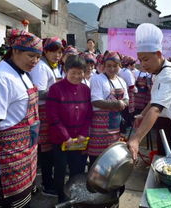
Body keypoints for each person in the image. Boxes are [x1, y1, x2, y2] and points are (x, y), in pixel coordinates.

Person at [0, 29, 42, 208]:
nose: (35, 61)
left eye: (38, 57)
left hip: (25, 153)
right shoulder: (0, 78)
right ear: (15, 51)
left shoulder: (22, 74)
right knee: (10, 203)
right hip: (6, 160)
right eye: (31, 55)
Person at [127, 23, 171, 159]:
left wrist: (136, 138)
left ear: (158, 54)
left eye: (146, 59)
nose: (143, 64)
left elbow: (156, 109)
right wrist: (142, 115)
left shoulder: (168, 76)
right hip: (164, 125)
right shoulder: (158, 72)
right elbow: (155, 100)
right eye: (140, 60)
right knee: (162, 160)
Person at [46, 55, 92, 203]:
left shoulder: (85, 89)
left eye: (81, 73)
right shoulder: (55, 89)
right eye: (73, 72)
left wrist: (83, 134)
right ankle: (61, 198)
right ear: (65, 70)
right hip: (61, 140)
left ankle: (75, 198)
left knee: (77, 171)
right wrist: (66, 137)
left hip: (79, 140)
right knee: (60, 171)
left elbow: (89, 115)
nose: (77, 76)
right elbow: (52, 116)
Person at [29, 37, 64, 196]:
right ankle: (46, 184)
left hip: (50, 111)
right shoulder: (41, 67)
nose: (57, 55)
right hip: (42, 112)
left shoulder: (52, 66)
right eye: (53, 51)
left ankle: (46, 182)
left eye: (60, 52)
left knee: (48, 149)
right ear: (45, 51)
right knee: (45, 151)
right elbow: (39, 92)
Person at [88, 51, 129, 164]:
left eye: (115, 66)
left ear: (119, 66)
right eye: (109, 66)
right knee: (96, 159)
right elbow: (95, 101)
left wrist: (123, 103)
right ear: (104, 66)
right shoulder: (97, 79)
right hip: (99, 127)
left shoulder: (121, 81)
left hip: (115, 125)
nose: (112, 69)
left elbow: (126, 99)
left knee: (111, 157)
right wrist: (117, 104)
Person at [119, 56, 137, 135]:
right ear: (129, 64)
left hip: (121, 93)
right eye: (133, 64)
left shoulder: (121, 70)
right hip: (128, 93)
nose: (134, 65)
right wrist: (136, 90)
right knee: (127, 112)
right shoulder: (128, 72)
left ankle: (123, 129)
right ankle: (125, 131)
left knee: (123, 112)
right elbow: (131, 86)